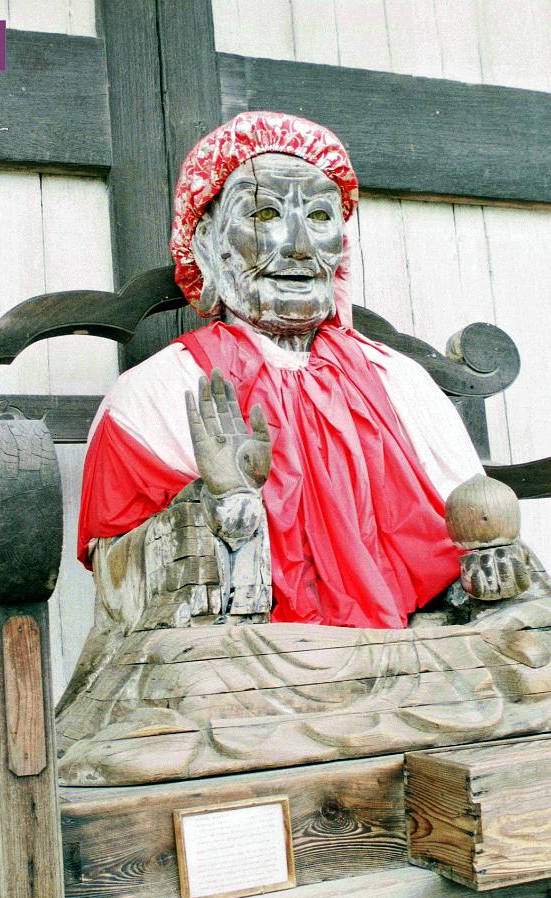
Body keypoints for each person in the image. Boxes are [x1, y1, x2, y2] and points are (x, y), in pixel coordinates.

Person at [76, 111, 493, 631]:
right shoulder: (157, 393)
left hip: (414, 646)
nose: (299, 245)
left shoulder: (399, 382)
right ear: (206, 243)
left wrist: (495, 563)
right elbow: (121, 592)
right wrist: (220, 505)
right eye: (266, 213)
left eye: (319, 217)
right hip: (252, 658)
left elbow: (478, 530)